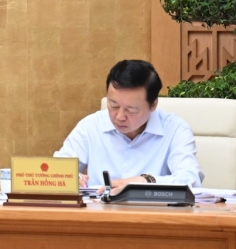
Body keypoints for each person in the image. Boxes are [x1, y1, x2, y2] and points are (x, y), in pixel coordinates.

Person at [54, 60, 202, 191]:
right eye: (113, 105)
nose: (119, 116)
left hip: (154, 217)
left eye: (131, 110)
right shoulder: (90, 126)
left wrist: (146, 181)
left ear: (153, 104)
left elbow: (191, 179)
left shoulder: (175, 130)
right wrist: (71, 178)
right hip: (100, 216)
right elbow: (58, 170)